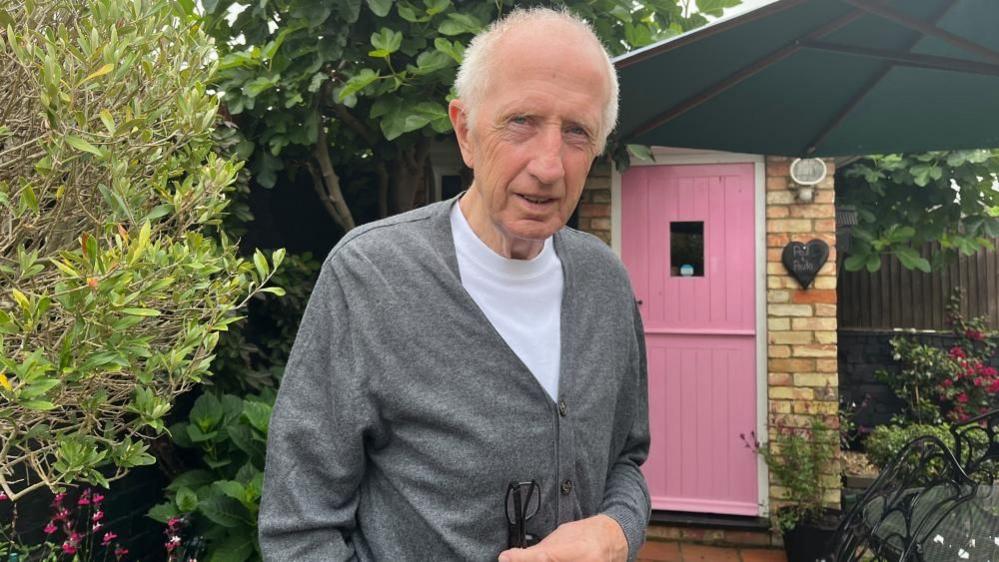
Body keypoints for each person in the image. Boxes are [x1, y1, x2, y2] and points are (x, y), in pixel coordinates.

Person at [259, 7, 650, 561]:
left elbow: (626, 463)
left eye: (577, 132)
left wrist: (615, 533)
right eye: (521, 122)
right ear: (465, 131)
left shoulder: (605, 281)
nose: (549, 166)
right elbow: (298, 530)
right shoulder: (370, 276)